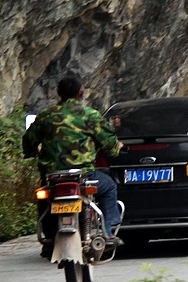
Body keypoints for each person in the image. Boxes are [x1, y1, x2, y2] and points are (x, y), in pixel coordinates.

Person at [23, 73, 124, 254]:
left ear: (58, 93)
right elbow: (109, 143)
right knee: (109, 187)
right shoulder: (90, 115)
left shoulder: (46, 116)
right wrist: (117, 148)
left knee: (44, 199)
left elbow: (28, 141)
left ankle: (48, 239)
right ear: (81, 93)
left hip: (52, 177)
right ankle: (107, 231)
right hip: (83, 176)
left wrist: (31, 152)